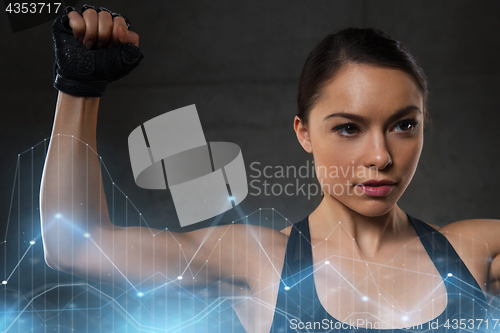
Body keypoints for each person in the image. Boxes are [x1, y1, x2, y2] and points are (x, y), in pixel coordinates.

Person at [40, 6, 500, 333]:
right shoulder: (259, 262)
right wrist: (81, 87)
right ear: (304, 133)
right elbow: (71, 244)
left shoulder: (475, 249)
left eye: (403, 125)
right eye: (348, 129)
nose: (380, 156)